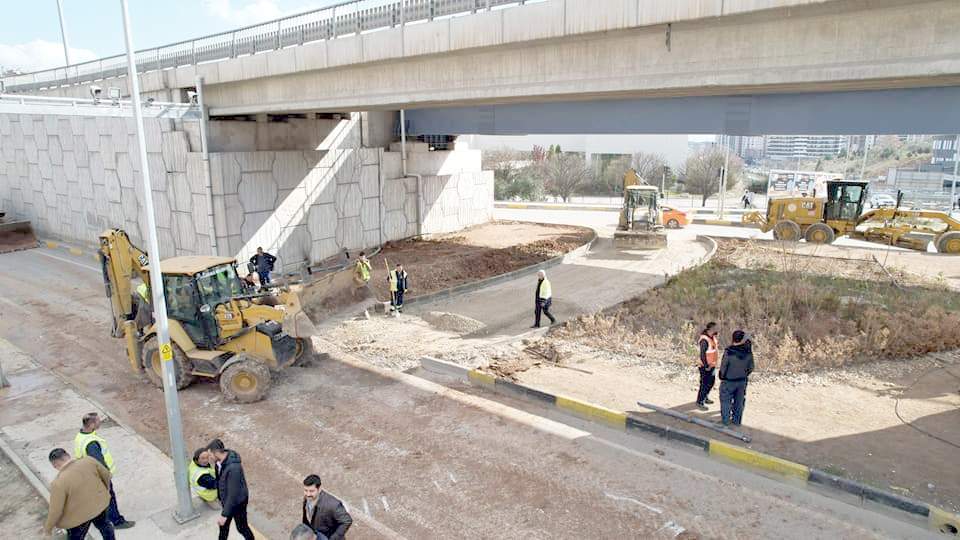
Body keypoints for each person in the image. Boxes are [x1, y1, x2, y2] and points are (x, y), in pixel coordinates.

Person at [73, 412, 135, 529]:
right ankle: (117, 521)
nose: (100, 422)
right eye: (97, 421)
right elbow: (99, 462)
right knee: (109, 498)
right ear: (91, 424)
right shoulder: (91, 443)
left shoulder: (80, 436)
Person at [44, 448, 115, 540]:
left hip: (77, 519)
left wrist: (48, 530)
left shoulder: (58, 483)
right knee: (105, 526)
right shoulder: (89, 461)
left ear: (54, 465)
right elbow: (107, 475)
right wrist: (104, 493)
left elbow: (55, 510)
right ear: (68, 455)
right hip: (99, 506)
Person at [210, 444, 255, 540]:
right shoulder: (219, 463)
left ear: (216, 453)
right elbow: (220, 480)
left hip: (237, 503)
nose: (209, 458)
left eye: (210, 455)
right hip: (227, 502)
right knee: (223, 527)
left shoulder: (234, 468)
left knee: (242, 528)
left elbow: (233, 494)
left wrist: (224, 514)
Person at [718, 330, 755, 426]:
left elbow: (723, 366)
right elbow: (751, 367)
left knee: (725, 401)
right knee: (739, 402)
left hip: (728, 381)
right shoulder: (748, 351)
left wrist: (722, 376)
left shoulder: (729, 351)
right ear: (742, 340)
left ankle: (725, 421)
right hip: (742, 381)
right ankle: (737, 421)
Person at [302, 474, 353, 540]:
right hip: (317, 534)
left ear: (319, 489)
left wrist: (333, 538)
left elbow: (347, 521)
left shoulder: (333, 504)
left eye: (311, 491)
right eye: (306, 490)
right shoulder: (307, 498)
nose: (308, 494)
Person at [695, 322, 720, 411]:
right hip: (705, 366)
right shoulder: (704, 340)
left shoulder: (712, 337)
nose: (717, 329)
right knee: (704, 384)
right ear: (711, 329)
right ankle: (700, 401)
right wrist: (706, 366)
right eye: (716, 328)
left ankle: (705, 397)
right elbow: (702, 355)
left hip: (711, 365)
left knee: (711, 382)